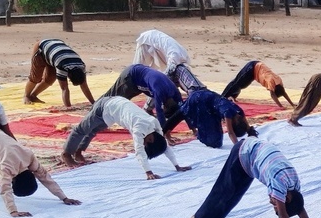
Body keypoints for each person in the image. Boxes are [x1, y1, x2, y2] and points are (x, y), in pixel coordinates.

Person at [189, 137, 321, 218]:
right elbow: (283, 215)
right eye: (275, 205)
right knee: (224, 190)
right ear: (286, 199)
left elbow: (299, 207)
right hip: (244, 151)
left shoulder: (294, 186)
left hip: (252, 159)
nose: (273, 204)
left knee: (235, 195)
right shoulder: (279, 183)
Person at [61, 96, 192, 179]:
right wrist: (148, 172)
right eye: (146, 145)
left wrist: (177, 166)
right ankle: (66, 154)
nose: (143, 144)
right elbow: (139, 151)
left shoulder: (154, 123)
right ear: (150, 140)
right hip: (106, 106)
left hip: (113, 112)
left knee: (92, 130)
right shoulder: (139, 129)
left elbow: (164, 145)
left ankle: (78, 152)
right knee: (82, 129)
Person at [100, 64, 183, 136]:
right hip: (130, 76)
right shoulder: (160, 92)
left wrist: (193, 129)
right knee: (111, 99)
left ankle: (101, 115)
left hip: (138, 83)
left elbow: (184, 110)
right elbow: (160, 113)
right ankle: (96, 110)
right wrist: (165, 133)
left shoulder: (175, 93)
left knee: (120, 103)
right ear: (165, 106)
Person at [24, 38, 96, 107]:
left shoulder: (82, 66)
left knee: (50, 79)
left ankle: (33, 96)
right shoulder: (62, 66)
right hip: (41, 48)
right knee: (36, 77)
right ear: (69, 75)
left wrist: (93, 102)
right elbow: (64, 89)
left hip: (56, 53)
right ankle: (26, 96)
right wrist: (68, 107)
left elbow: (85, 86)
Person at [178, 88, 256, 148]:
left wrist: (252, 135)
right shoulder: (228, 112)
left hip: (211, 106)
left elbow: (247, 127)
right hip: (200, 100)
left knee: (217, 140)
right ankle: (200, 134)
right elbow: (230, 132)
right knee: (214, 142)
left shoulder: (240, 112)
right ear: (234, 124)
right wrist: (237, 146)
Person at [221, 60, 295, 108]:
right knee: (236, 83)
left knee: (243, 85)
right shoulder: (271, 81)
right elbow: (272, 95)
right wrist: (280, 106)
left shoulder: (279, 81)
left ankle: (232, 96)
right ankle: (222, 97)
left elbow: (283, 93)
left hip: (255, 71)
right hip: (252, 67)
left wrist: (292, 104)